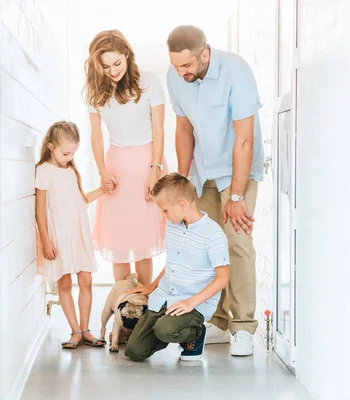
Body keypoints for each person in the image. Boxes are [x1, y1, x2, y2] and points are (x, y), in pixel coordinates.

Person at [166, 25, 265, 356]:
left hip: (237, 170)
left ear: (204, 54)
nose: (181, 73)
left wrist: (236, 196)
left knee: (236, 241)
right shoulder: (176, 76)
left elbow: (245, 139)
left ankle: (244, 327)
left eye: (186, 66)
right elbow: (183, 128)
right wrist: (183, 179)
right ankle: (219, 322)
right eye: (176, 66)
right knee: (207, 244)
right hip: (203, 172)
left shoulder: (236, 71)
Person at [85, 29, 168, 286]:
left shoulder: (150, 82)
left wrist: (155, 169)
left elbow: (158, 129)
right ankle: (122, 303)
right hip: (117, 164)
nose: (113, 71)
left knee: (143, 241)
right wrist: (103, 172)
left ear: (127, 55)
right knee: (119, 241)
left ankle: (143, 305)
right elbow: (97, 136)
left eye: (117, 63)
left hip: (147, 160)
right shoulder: (94, 91)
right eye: (106, 66)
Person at [124, 173, 230, 362]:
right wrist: (152, 286)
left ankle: (195, 333)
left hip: (192, 303)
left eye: (164, 210)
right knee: (135, 351)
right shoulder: (173, 226)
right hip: (164, 297)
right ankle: (168, 328)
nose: (163, 215)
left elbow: (223, 278)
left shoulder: (213, 235)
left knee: (164, 329)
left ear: (181, 205)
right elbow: (172, 264)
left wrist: (191, 303)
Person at [35, 120, 113, 349]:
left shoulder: (70, 171)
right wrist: (46, 240)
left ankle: (86, 329)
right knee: (65, 283)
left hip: (78, 234)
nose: (69, 157)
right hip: (57, 236)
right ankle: (75, 331)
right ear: (50, 146)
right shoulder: (44, 171)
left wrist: (102, 190)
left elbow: (80, 201)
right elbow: (39, 211)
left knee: (86, 279)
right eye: (65, 152)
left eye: (73, 153)